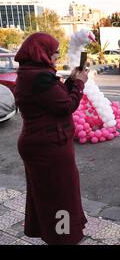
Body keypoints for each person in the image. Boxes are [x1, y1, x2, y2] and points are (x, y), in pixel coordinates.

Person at [14, 32, 89, 244]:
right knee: (60, 197)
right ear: (42, 52)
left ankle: (56, 234)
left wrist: (72, 81)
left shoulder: (34, 73)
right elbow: (65, 106)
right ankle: (62, 237)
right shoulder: (38, 76)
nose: (57, 55)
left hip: (42, 143)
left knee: (51, 196)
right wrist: (80, 84)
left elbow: (54, 100)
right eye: (54, 52)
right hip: (48, 147)